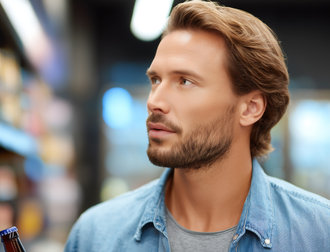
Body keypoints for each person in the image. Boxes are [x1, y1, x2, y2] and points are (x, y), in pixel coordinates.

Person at [64, 1, 330, 251]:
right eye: (155, 80)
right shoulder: (95, 235)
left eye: (185, 82)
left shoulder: (318, 234)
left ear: (250, 108)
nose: (154, 101)